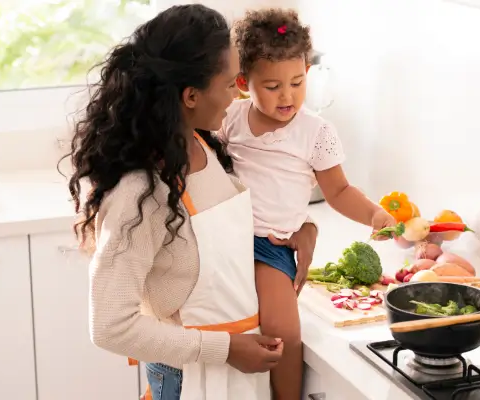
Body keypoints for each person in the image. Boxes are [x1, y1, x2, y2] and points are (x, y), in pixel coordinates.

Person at [63, 4, 318, 400]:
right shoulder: (140, 193)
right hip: (189, 381)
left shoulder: (203, 145)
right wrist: (226, 349)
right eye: (230, 84)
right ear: (191, 96)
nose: (237, 97)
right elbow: (110, 326)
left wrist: (303, 228)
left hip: (237, 373)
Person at [217, 8, 397, 400]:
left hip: (272, 245)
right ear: (244, 84)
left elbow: (339, 190)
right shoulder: (231, 116)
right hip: (224, 239)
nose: (287, 96)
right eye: (272, 86)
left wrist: (374, 214)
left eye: (297, 83)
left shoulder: (315, 132)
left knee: (284, 332)